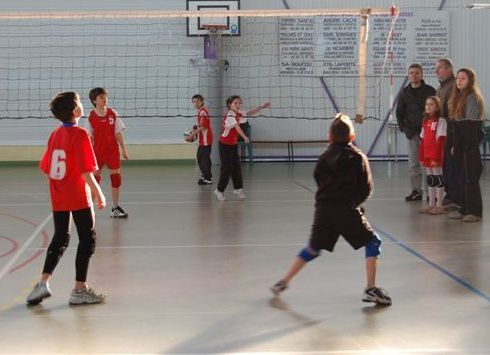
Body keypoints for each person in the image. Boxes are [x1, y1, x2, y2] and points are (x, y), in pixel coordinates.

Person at [270, 113, 391, 306]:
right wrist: (355, 204)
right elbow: (366, 188)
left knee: (313, 248)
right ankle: (370, 288)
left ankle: (283, 282)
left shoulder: (324, 157)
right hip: (345, 208)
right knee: (373, 242)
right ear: (352, 137)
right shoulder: (358, 157)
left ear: (329, 137)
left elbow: (318, 178)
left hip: (323, 209)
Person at [26, 92, 106, 306]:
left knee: (61, 238)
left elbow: (46, 168)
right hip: (79, 196)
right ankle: (79, 290)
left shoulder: (55, 134)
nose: (82, 106)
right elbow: (86, 172)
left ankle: (42, 284)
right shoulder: (80, 135)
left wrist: (60, 187)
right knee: (87, 239)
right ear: (76, 111)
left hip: (59, 195)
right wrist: (98, 192)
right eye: (80, 103)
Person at [447, 68, 485, 222]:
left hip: (469, 143)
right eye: (458, 78)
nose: (459, 81)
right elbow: (456, 123)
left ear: (470, 81)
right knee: (461, 176)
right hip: (460, 142)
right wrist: (455, 144)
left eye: (463, 78)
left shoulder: (472, 98)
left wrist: (462, 143)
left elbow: (469, 124)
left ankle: (474, 211)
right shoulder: (458, 97)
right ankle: (464, 207)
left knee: (470, 176)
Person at [214, 96, 270, 201]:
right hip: (224, 145)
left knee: (236, 167)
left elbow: (249, 113)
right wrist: (244, 137)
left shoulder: (238, 113)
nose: (238, 105)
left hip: (233, 144)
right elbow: (237, 127)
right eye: (235, 103)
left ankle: (238, 189)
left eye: (239, 103)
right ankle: (219, 190)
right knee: (227, 168)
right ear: (230, 105)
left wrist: (261, 107)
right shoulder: (230, 114)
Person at [86, 87, 129, 218]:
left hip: (112, 151)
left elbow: (118, 133)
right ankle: (89, 209)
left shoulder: (112, 113)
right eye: (101, 97)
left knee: (116, 178)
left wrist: (124, 149)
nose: (104, 99)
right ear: (94, 100)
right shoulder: (90, 116)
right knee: (95, 179)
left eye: (105, 97)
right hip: (97, 152)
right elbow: (88, 137)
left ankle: (115, 208)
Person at [396, 63, 436, 202]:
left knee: (429, 164)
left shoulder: (430, 90)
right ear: (408, 75)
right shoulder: (404, 92)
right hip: (412, 133)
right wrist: (404, 128)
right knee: (414, 163)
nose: (414, 75)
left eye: (417, 72)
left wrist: (432, 128)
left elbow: (436, 110)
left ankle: (431, 192)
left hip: (428, 133)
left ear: (422, 74)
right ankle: (416, 191)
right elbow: (399, 112)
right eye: (411, 72)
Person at [435, 58, 458, 207]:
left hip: (451, 130)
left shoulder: (453, 86)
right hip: (442, 130)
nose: (437, 71)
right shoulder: (441, 87)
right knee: (444, 164)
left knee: (451, 165)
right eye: (436, 68)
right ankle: (447, 192)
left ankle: (453, 195)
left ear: (449, 69)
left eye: (440, 68)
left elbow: (452, 111)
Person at [418, 96, 447, 215]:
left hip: (435, 155)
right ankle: (431, 204)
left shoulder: (441, 121)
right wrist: (421, 156)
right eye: (427, 104)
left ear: (437, 107)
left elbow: (441, 140)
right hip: (427, 154)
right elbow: (422, 140)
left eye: (431, 104)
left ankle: (439, 205)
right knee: (430, 179)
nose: (428, 107)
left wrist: (436, 157)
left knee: (438, 178)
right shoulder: (425, 121)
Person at [188, 94, 213, 185]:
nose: (195, 103)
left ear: (202, 101)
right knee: (202, 158)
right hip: (204, 139)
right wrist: (195, 128)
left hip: (206, 139)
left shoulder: (203, 111)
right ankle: (207, 175)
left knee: (203, 158)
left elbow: (204, 126)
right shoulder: (200, 111)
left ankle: (208, 178)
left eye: (197, 101)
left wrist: (192, 135)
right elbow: (201, 124)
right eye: (194, 101)